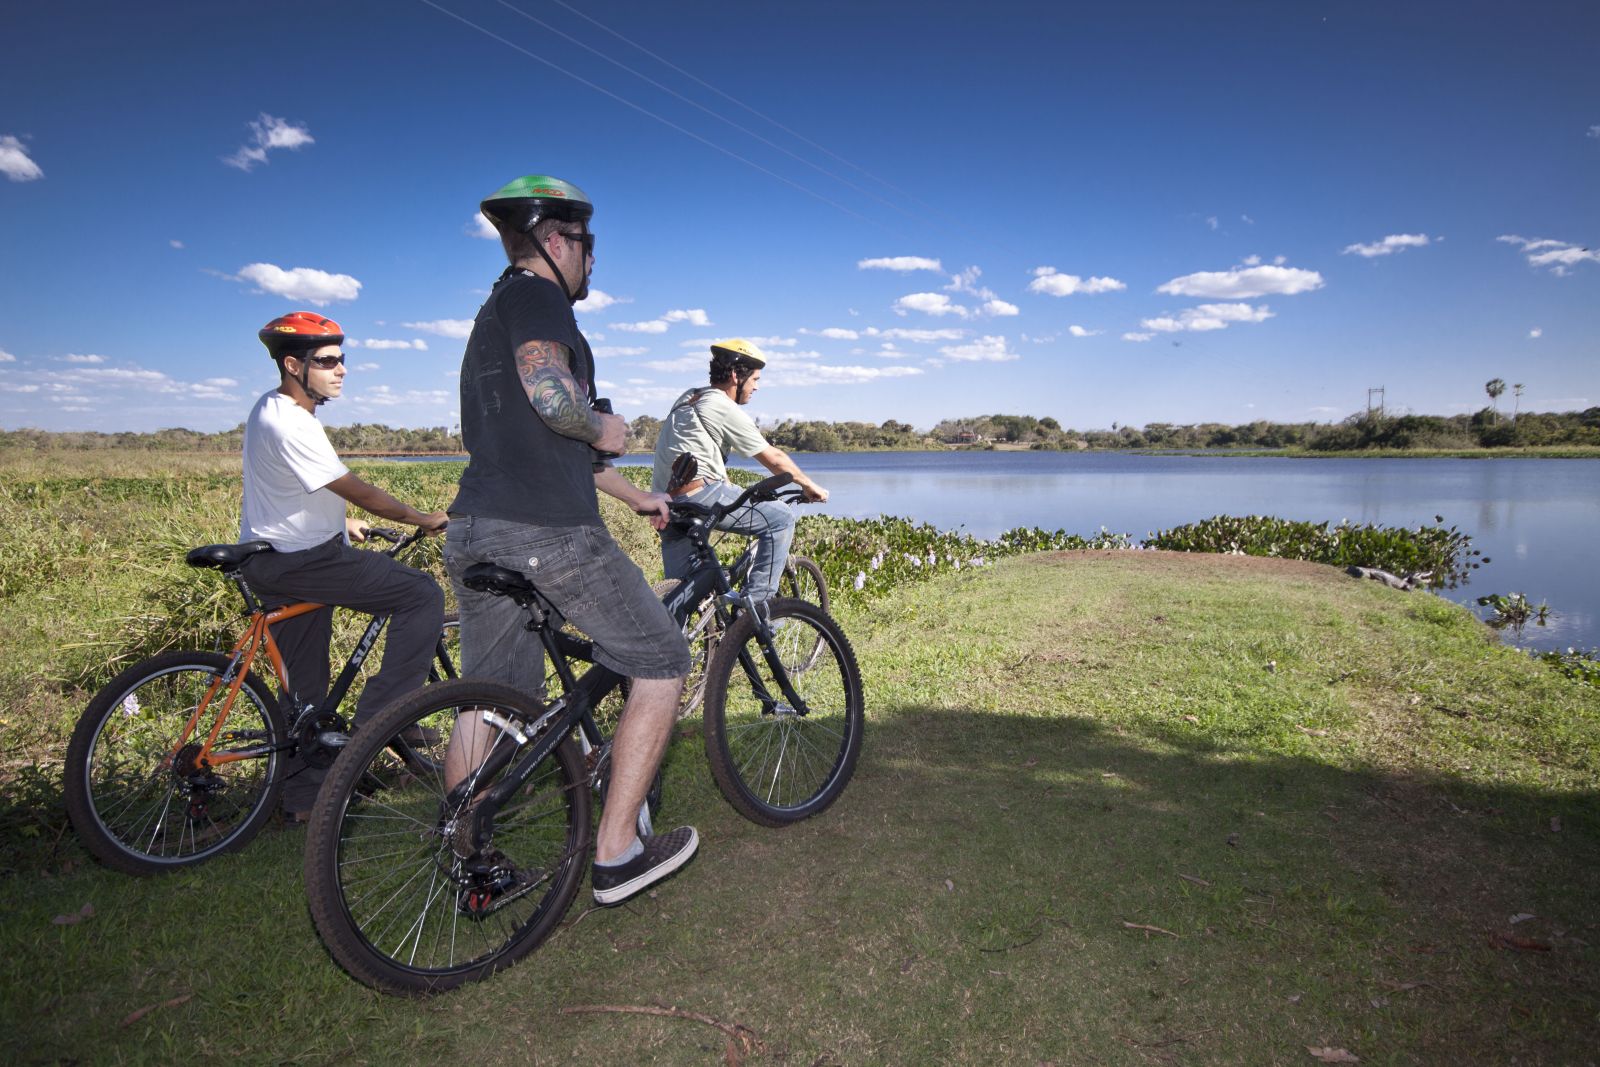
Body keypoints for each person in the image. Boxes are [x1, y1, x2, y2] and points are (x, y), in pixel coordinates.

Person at [443, 174, 696, 909]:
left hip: (476, 528)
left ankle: (467, 849)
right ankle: (616, 852)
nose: (592, 260)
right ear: (556, 241)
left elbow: (554, 450)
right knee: (661, 656)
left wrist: (637, 493)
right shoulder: (535, 295)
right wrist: (601, 424)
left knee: (494, 703)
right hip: (544, 534)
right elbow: (554, 402)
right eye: (587, 245)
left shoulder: (493, 309)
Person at [243, 312, 448, 820]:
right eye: (328, 360)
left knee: (305, 697)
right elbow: (355, 486)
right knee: (421, 594)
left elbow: (293, 491)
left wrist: (343, 523)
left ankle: (305, 801)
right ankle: (382, 724)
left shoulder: (271, 408)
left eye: (342, 359)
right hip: (305, 563)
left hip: (276, 557)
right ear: (294, 364)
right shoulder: (291, 421)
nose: (342, 370)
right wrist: (419, 518)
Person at [651, 339, 828, 608]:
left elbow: (696, 451)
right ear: (736, 375)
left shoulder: (689, 397)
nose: (756, 386)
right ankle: (756, 615)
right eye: (755, 379)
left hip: (666, 505)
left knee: (681, 600)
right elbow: (774, 458)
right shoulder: (721, 405)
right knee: (780, 519)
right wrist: (808, 485)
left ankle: (677, 642)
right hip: (702, 496)